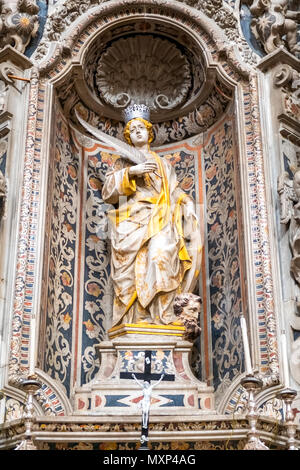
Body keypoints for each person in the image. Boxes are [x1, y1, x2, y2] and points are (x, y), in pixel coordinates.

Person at [102, 104, 202, 327]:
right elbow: (108, 191)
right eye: (133, 129)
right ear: (128, 137)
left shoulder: (162, 164)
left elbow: (173, 191)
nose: (138, 131)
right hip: (131, 220)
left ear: (149, 132)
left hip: (162, 218)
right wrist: (131, 172)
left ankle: (162, 318)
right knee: (130, 273)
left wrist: (187, 202)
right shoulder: (123, 162)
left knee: (160, 257)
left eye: (141, 128)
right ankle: (133, 320)